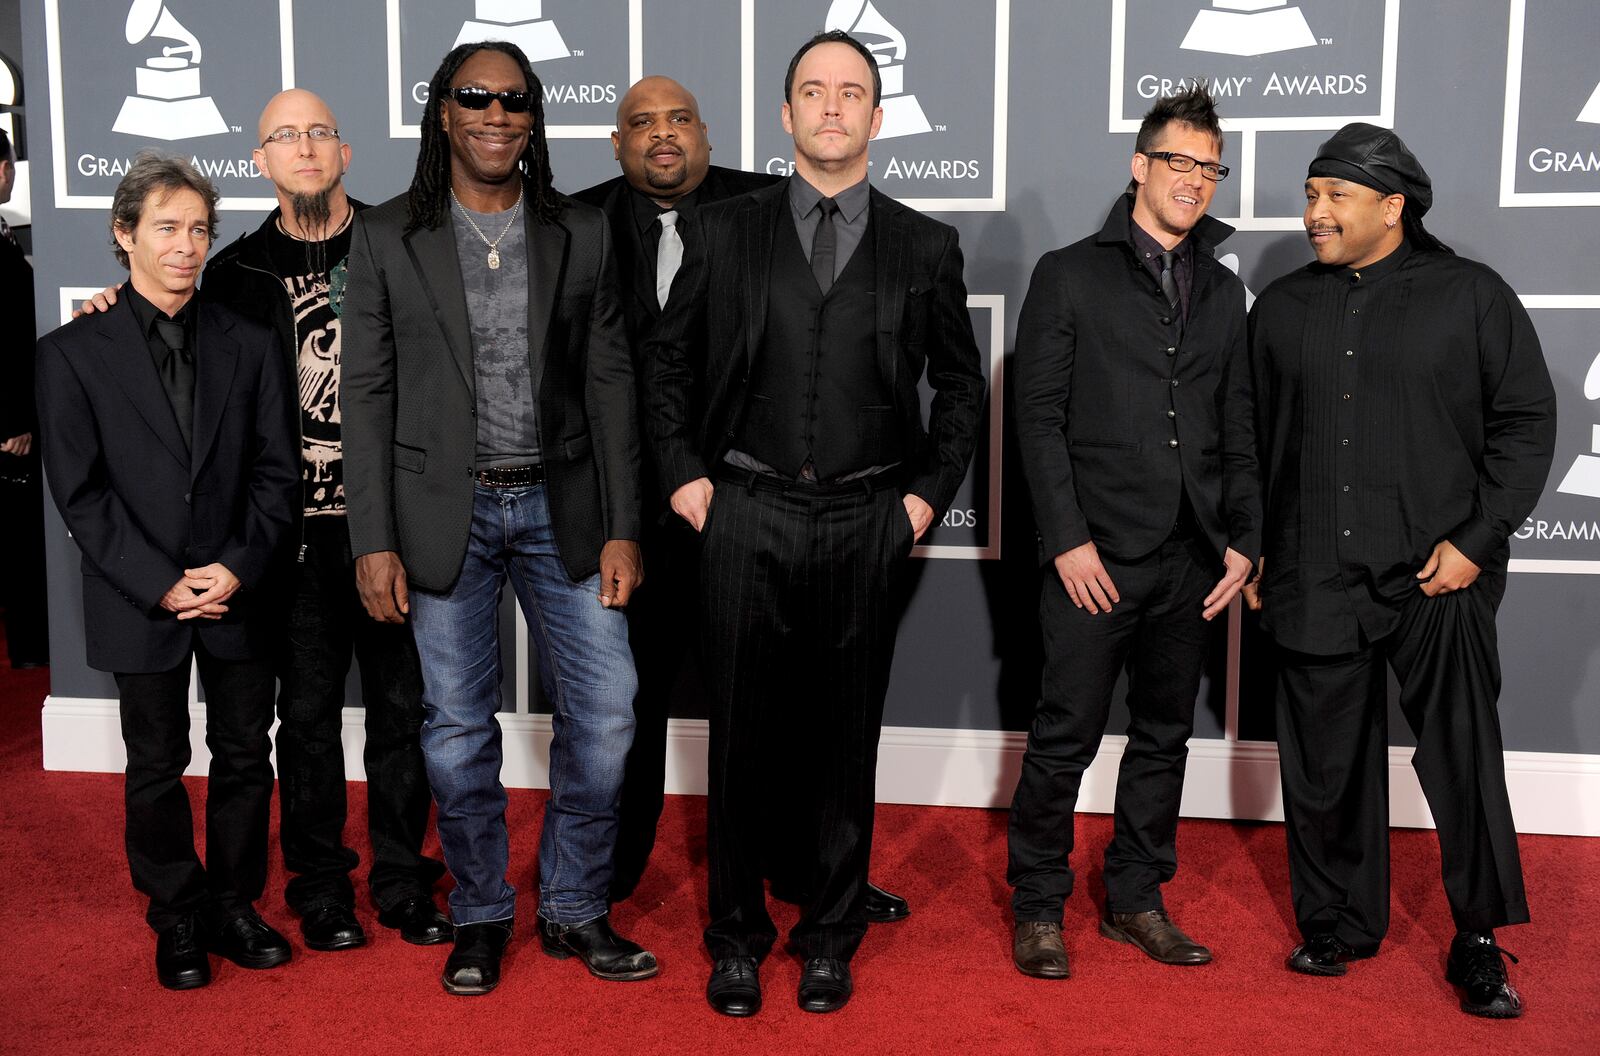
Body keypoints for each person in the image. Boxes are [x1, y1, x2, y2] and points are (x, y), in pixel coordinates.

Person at [644, 31, 984, 1016]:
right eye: (812, 92)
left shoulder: (927, 245)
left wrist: (920, 496)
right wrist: (682, 478)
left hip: (867, 515)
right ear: (786, 115)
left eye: (851, 94)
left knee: (844, 740)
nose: (831, 108)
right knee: (741, 738)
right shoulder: (721, 232)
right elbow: (665, 365)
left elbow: (959, 387)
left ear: (876, 120)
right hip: (742, 510)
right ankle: (737, 937)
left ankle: (828, 934)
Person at [80, 89, 451, 953]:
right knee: (309, 718)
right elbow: (156, 312)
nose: (306, 148)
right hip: (286, 536)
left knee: (405, 711)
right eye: (285, 136)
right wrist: (107, 306)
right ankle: (320, 888)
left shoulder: (403, 246)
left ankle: (401, 879)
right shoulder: (234, 271)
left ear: (347, 151)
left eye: (320, 131)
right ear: (261, 162)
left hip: (390, 522)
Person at [341, 41, 652, 997]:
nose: (494, 113)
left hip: (564, 504)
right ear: (442, 112)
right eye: (473, 96)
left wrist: (623, 523)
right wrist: (374, 538)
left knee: (605, 717)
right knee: (455, 729)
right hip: (446, 513)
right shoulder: (389, 234)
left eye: (514, 101)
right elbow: (367, 392)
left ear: (534, 118)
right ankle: (481, 911)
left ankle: (571, 904)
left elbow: (610, 381)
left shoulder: (581, 231)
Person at [571, 75, 908, 923]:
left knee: (793, 703)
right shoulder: (574, 224)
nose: (662, 135)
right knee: (626, 703)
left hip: (749, 507)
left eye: (679, 118)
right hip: (624, 512)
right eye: (641, 123)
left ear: (709, 133)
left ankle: (805, 868)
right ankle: (608, 872)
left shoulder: (769, 211)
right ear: (616, 144)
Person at [1238, 122, 1557, 1018]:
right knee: (1324, 763)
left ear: (1393, 206)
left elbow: (1527, 422)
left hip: (1437, 573)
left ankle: (1480, 940)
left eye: (1334, 196)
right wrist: (1255, 540)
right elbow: (1251, 441)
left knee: (1463, 760)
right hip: (1311, 569)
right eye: (1310, 195)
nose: (1314, 213)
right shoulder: (1283, 308)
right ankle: (1338, 919)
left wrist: (1478, 539)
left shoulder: (1473, 296)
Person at [1006, 83, 1254, 980]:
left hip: (1191, 556)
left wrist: (1244, 538)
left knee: (1164, 736)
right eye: (1179, 162)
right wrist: (1066, 540)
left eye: (1210, 168)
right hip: (1093, 556)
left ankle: (1136, 899)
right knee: (1064, 736)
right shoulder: (1068, 274)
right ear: (1140, 165)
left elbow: (1239, 428)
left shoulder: (1226, 293)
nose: (1195, 180)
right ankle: (1038, 906)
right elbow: (1035, 419)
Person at [34, 154, 299, 990]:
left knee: (244, 753)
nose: (186, 246)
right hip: (136, 594)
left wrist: (236, 565)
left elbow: (278, 471)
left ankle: (232, 902)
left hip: (237, 588)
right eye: (166, 228)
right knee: (154, 762)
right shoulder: (70, 352)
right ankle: (175, 912)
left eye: (198, 230)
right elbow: (81, 495)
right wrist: (161, 581)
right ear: (124, 235)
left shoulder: (251, 341)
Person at [0, 127, 49, 669]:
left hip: (17, 411)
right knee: (17, 544)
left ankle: (31, 649)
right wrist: (8, 419)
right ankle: (29, 651)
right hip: (8, 423)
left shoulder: (4, 233)